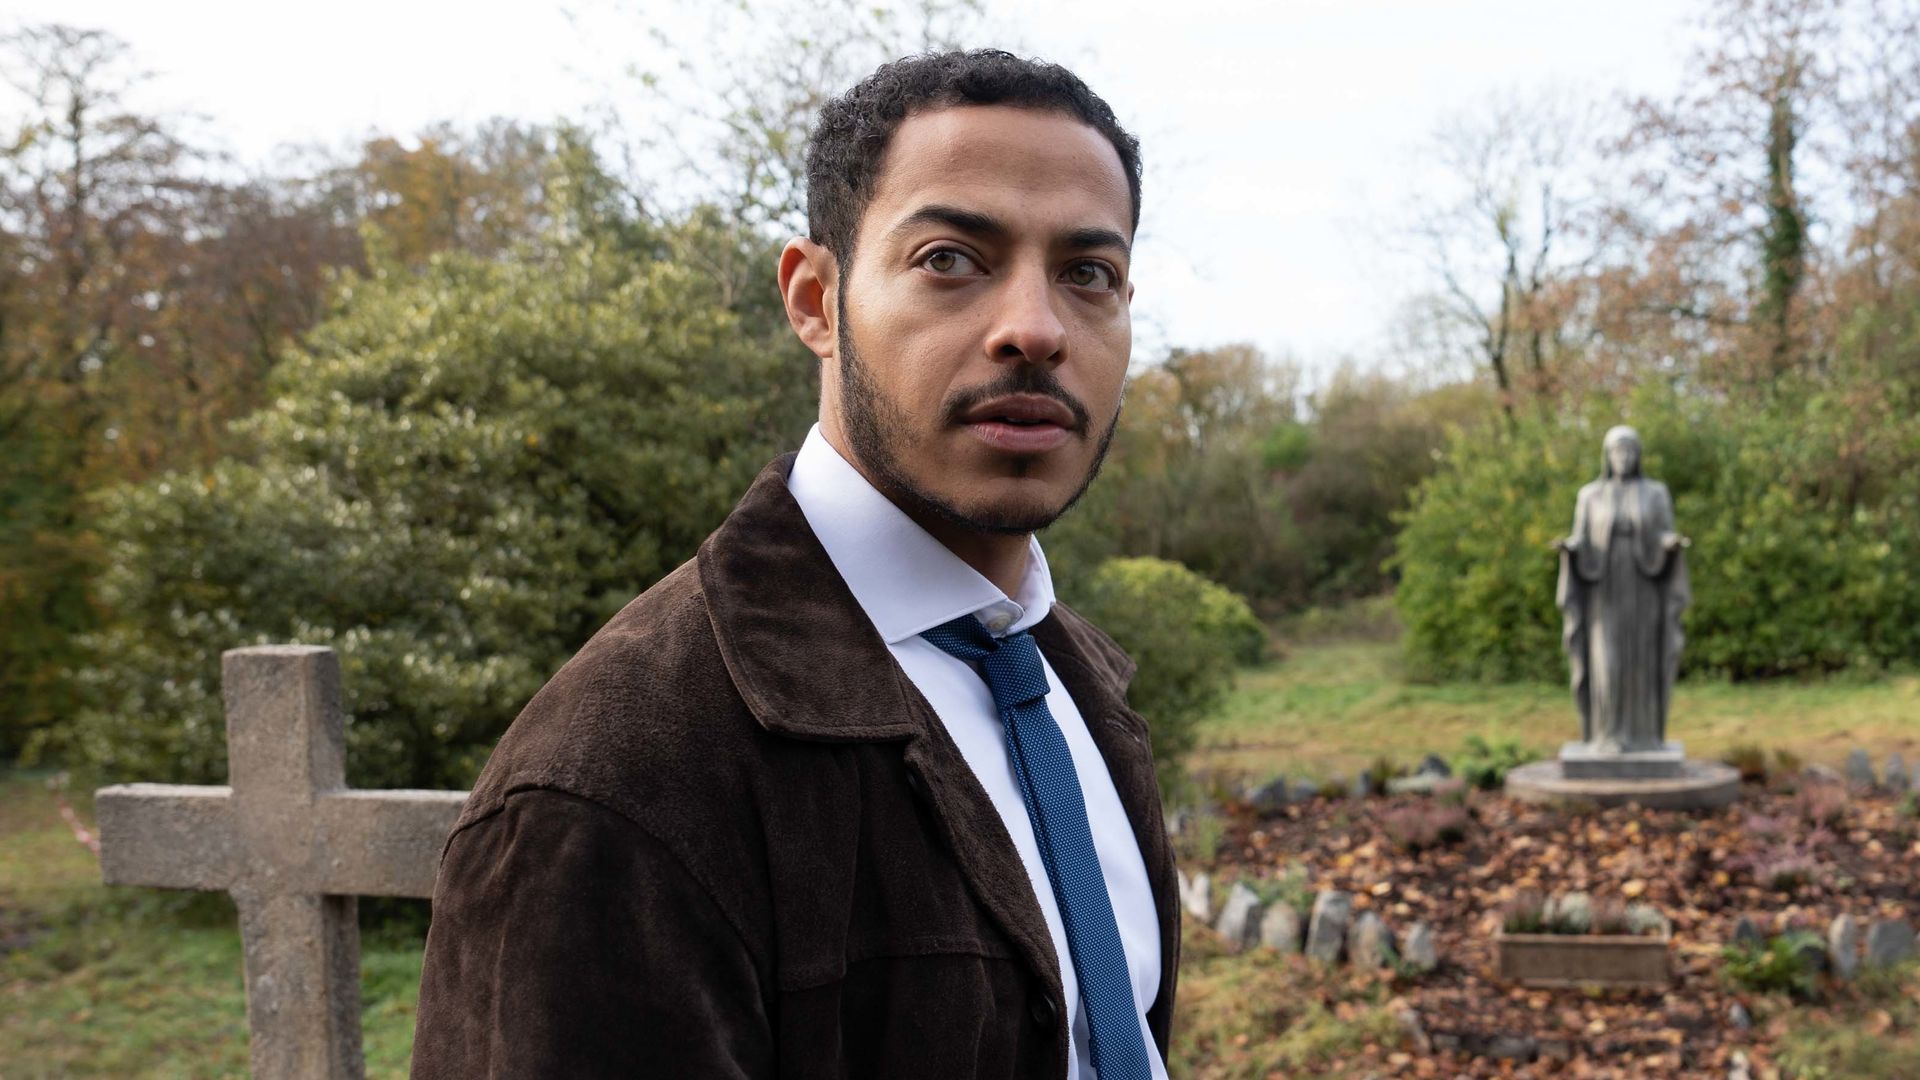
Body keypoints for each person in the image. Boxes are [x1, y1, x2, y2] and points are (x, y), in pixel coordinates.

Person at [411, 50, 1176, 1079]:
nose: (1034, 329)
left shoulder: (1072, 686)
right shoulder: (615, 785)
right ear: (816, 301)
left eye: (1089, 274)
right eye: (951, 258)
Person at [1555, 425, 1689, 752]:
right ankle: (1606, 735)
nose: (1624, 458)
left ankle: (1644, 736)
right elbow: (1582, 537)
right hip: (1603, 590)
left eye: (1630, 451)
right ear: (1607, 456)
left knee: (1642, 660)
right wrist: (1570, 548)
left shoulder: (1656, 493)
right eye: (1618, 451)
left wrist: (1670, 543)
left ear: (1638, 456)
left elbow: (1663, 532)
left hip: (1645, 588)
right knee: (1606, 661)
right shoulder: (1590, 495)